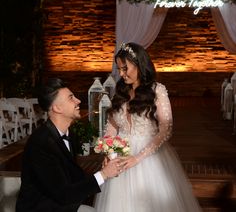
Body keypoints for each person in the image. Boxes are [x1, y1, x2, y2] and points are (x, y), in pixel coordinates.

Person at [94, 42, 202, 212]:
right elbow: (112, 128)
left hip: (148, 157)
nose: (121, 74)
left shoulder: (157, 90)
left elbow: (166, 128)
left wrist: (137, 158)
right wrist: (109, 153)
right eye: (119, 69)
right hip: (120, 159)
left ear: (138, 65)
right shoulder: (120, 93)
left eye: (125, 68)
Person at [16, 78, 123, 212]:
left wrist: (103, 170)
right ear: (57, 108)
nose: (78, 101)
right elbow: (64, 194)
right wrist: (104, 174)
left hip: (58, 203)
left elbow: (74, 177)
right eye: (71, 98)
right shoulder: (41, 143)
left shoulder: (68, 134)